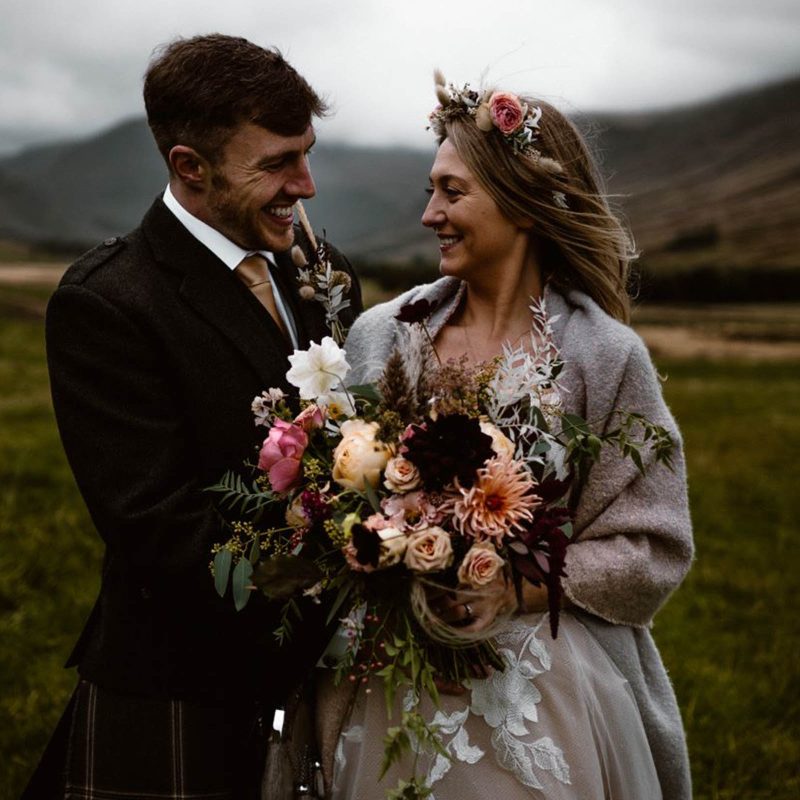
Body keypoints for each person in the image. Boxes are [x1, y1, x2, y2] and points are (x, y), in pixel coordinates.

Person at [320, 77, 694, 798]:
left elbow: (653, 544)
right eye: (431, 191)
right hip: (386, 680)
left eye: (452, 193)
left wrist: (515, 591)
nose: (429, 214)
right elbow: (338, 495)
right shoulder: (382, 338)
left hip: (547, 693)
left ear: (521, 201)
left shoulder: (605, 356)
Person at [22, 34, 361, 800]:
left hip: (332, 673)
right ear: (189, 167)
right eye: (277, 163)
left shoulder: (326, 274)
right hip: (182, 682)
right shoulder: (108, 302)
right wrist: (352, 558)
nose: (304, 185)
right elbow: (156, 526)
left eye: (306, 154)